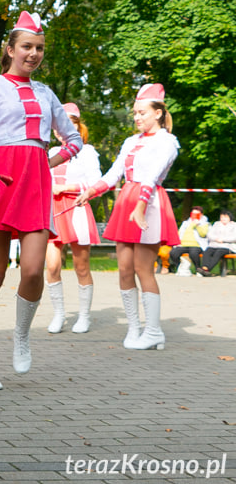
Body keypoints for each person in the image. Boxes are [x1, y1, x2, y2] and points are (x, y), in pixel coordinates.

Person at [0, 12, 82, 390]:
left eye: (39, 48)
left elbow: (72, 141)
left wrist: (47, 160)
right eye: (26, 46)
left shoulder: (47, 93)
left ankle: (22, 336)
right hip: (0, 176)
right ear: (10, 49)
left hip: (35, 181)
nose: (33, 53)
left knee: (32, 270)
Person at [77, 83, 180, 350]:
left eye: (142, 112)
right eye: (134, 113)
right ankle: (134, 328)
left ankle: (154, 331)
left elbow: (153, 175)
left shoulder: (167, 141)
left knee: (143, 269)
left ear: (158, 113)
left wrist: (141, 206)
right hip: (127, 201)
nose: (137, 118)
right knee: (124, 270)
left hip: (150, 204)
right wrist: (90, 191)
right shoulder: (130, 142)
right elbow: (113, 175)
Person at [44, 103, 101, 334]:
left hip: (77, 207)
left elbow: (97, 181)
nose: (60, 130)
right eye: (57, 125)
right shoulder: (49, 153)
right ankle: (59, 315)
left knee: (81, 266)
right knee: (52, 266)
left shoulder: (87, 151)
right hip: (52, 211)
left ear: (77, 125)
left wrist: (66, 187)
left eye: (67, 123)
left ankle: (84, 317)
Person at [166, 206, 209, 275]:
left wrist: (197, 225)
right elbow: (180, 233)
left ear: (201, 215)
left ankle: (198, 269)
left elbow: (203, 234)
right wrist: (178, 242)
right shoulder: (185, 223)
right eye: (193, 214)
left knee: (193, 253)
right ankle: (180, 267)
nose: (194, 216)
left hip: (197, 245)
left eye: (197, 214)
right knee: (173, 253)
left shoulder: (205, 223)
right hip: (184, 244)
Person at [197, 210, 236, 276]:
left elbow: (234, 237)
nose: (223, 219)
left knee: (218, 252)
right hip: (215, 244)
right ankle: (204, 268)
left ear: (230, 218)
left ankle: (207, 269)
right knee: (207, 251)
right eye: (222, 217)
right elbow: (209, 234)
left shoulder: (234, 225)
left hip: (227, 246)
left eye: (225, 217)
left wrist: (223, 240)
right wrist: (216, 239)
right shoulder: (216, 224)